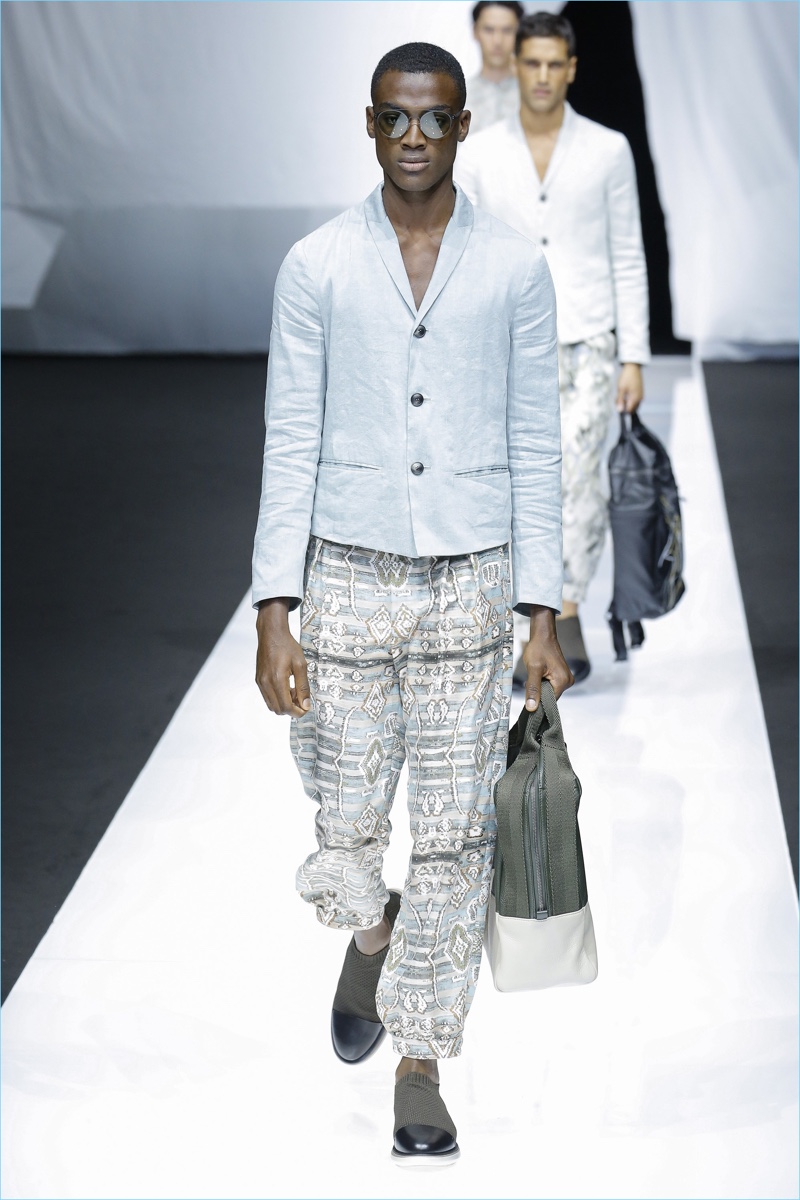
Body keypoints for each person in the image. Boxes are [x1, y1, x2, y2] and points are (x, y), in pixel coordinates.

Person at [252, 41, 572, 1163]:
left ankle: (421, 1061)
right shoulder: (315, 265)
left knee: (453, 836)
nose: (415, 139)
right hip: (344, 577)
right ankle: (371, 927)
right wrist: (273, 603)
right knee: (344, 831)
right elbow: (289, 434)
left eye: (435, 119)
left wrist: (542, 611)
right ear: (370, 123)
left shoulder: (514, 269)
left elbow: (536, 441)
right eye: (396, 118)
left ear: (462, 127)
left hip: (470, 585)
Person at [456, 10, 650, 683]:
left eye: (552, 64)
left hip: (590, 338)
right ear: (516, 67)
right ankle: (527, 625)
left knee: (577, 480)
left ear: (571, 69)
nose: (540, 76)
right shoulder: (481, 154)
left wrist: (635, 356)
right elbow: (466, 256)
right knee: (516, 484)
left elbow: (628, 253)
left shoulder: (608, 149)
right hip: (508, 342)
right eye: (530, 63)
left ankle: (564, 614)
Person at [466, 1, 523, 133]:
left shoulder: (535, 97)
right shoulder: (458, 99)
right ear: (475, 31)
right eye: (489, 30)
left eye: (507, 30)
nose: (498, 41)